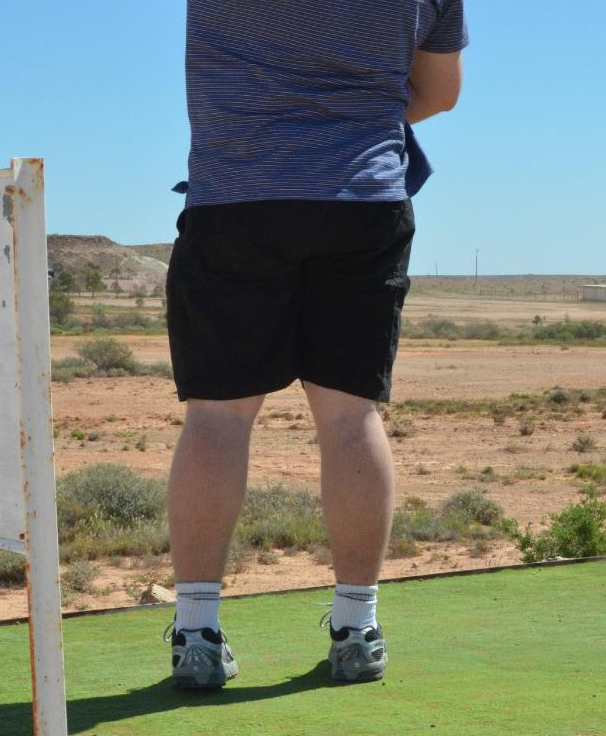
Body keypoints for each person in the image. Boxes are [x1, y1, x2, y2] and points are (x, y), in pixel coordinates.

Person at [163, 0, 468, 689]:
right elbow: (439, 94)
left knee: (217, 415)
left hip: (237, 197)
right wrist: (346, 121)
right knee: (350, 415)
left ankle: (196, 633)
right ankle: (356, 626)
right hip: (363, 199)